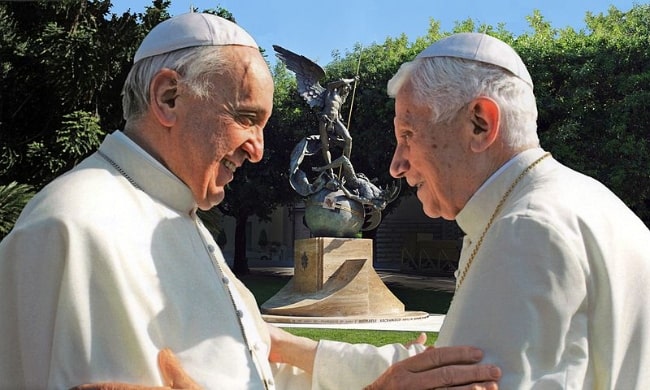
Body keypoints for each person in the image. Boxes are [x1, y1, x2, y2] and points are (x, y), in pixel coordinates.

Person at [0, 14, 501, 389]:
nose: (259, 150)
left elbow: (257, 363)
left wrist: (390, 366)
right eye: (245, 117)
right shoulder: (76, 226)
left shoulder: (181, 218)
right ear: (169, 98)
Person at [387, 32, 650, 388]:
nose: (397, 164)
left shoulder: (527, 230)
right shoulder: (592, 199)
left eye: (407, 134)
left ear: (480, 123)